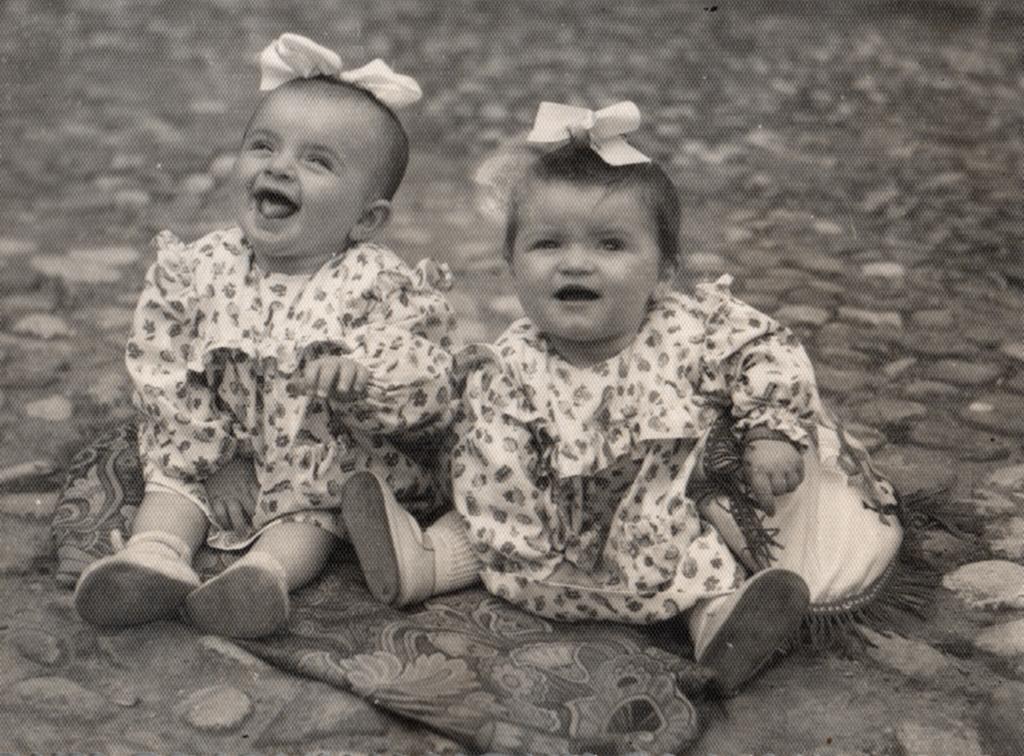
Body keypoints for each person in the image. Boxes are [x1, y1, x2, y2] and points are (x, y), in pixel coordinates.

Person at [342, 99, 903, 696]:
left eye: (610, 245)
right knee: (475, 492)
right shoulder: (511, 360)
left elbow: (765, 349)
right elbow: (481, 465)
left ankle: (719, 624)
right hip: (532, 543)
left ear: (663, 272)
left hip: (658, 533)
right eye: (547, 245)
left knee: (708, 552)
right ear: (511, 265)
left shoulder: (686, 331)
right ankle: (424, 562)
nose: (575, 264)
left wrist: (769, 430)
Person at [73, 33, 458, 639]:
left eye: (317, 161)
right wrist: (214, 458)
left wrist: (365, 375)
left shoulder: (380, 285)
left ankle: (263, 576)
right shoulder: (197, 269)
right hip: (218, 438)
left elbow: (427, 371)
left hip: (315, 454)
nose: (278, 167)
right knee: (174, 486)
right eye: (263, 145)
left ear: (367, 218)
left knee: (313, 514)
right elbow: (160, 362)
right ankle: (154, 555)